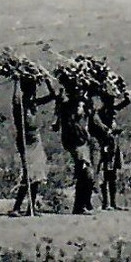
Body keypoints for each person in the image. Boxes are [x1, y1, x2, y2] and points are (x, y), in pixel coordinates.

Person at [11, 74, 56, 216]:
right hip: (25, 141)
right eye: (30, 90)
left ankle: (31, 207)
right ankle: (17, 207)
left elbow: (53, 95)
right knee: (28, 174)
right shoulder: (20, 105)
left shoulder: (34, 103)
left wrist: (48, 81)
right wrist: (16, 82)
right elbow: (15, 100)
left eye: (34, 90)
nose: (32, 93)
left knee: (37, 175)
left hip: (36, 140)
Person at [56, 86, 97, 215]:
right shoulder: (67, 106)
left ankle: (81, 205)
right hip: (74, 143)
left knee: (85, 175)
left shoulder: (84, 104)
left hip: (83, 143)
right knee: (87, 172)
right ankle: (81, 205)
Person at [93, 84, 131, 211]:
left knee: (112, 174)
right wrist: (110, 131)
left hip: (113, 145)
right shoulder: (101, 113)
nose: (112, 102)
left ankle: (113, 202)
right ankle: (106, 203)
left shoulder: (111, 110)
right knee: (106, 173)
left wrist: (127, 96)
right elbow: (101, 128)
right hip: (105, 145)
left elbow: (123, 104)